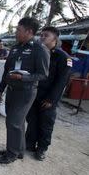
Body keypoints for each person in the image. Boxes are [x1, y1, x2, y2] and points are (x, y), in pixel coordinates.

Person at [0, 17, 50, 164]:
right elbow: (6, 71)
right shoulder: (15, 48)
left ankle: (11, 154)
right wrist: (1, 90)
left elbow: (43, 74)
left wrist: (22, 78)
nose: (16, 32)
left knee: (13, 122)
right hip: (12, 91)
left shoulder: (39, 49)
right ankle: (18, 149)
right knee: (16, 123)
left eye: (19, 30)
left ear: (29, 31)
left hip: (26, 92)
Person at [25, 26, 72, 160]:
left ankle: (41, 149)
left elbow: (62, 81)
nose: (42, 37)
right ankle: (29, 144)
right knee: (32, 120)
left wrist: (52, 100)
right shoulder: (38, 53)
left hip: (49, 97)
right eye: (42, 35)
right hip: (35, 94)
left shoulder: (63, 57)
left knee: (46, 124)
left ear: (55, 39)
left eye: (46, 36)